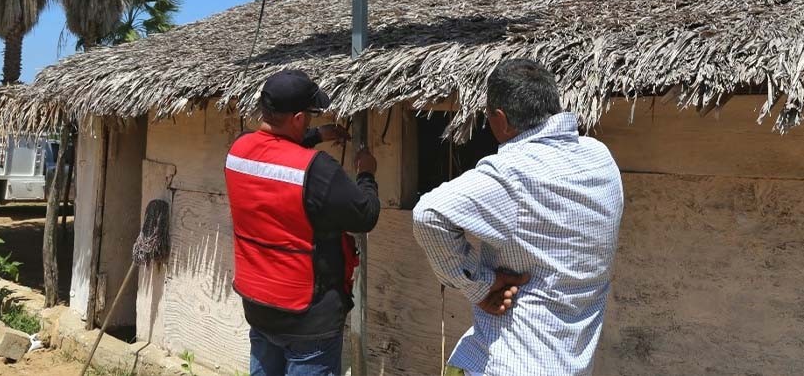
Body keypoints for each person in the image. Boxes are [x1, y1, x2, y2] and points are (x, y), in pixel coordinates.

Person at [413, 59, 624, 376]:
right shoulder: (599, 157)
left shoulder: (512, 173)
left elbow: (429, 214)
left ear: (501, 119)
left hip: (515, 360)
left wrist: (478, 285)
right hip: (573, 363)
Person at [224, 69, 381, 376]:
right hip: (308, 316)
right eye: (308, 117)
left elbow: (273, 147)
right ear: (296, 118)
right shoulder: (317, 169)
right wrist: (367, 174)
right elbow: (366, 214)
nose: (310, 121)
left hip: (259, 307)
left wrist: (318, 135)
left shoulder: (238, 151)